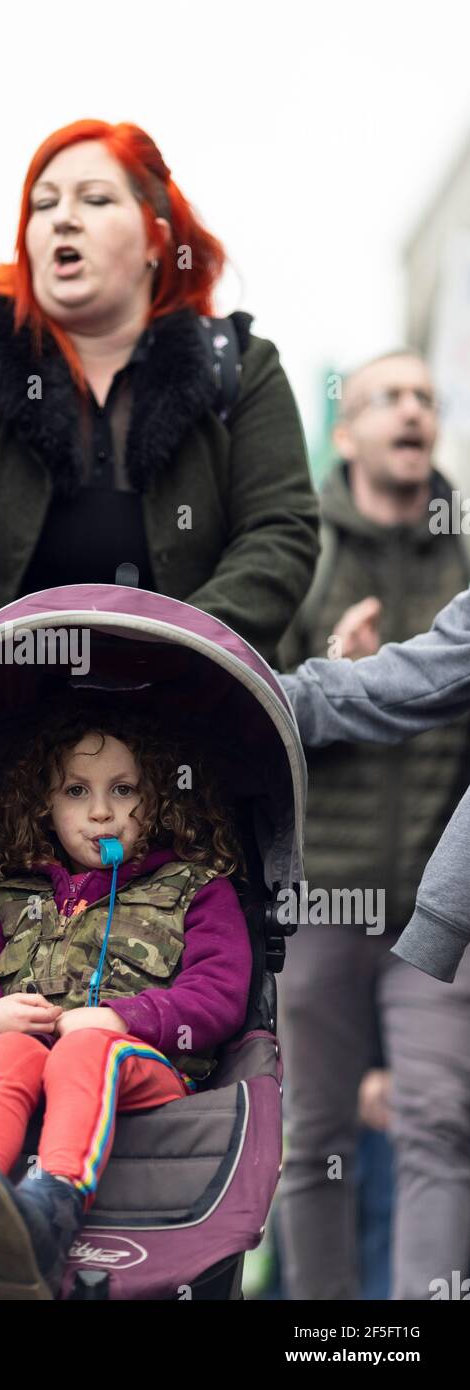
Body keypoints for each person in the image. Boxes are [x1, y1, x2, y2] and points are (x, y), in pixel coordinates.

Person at [0, 118, 319, 705]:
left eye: (96, 199)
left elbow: (280, 531)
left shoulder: (240, 364)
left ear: (156, 241)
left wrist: (188, 649)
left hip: (189, 716)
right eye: (43, 203)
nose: (62, 217)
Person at [0, 702, 252, 1299]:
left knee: (87, 1047)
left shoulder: (196, 890)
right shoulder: (10, 899)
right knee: (11, 1050)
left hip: (148, 1071)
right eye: (76, 791)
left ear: (162, 800)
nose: (101, 812)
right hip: (32, 1063)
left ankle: (50, 1211)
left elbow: (220, 994)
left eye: (124, 790)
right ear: (45, 806)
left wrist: (126, 1016)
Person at [274, 349, 470, 1300]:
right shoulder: (299, 544)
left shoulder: (463, 550)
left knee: (437, 1121)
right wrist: (327, 659)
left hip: (439, 906)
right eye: (388, 397)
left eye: (425, 399)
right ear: (345, 433)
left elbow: (436, 683)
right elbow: (261, 707)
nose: (411, 412)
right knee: (313, 1135)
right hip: (321, 899)